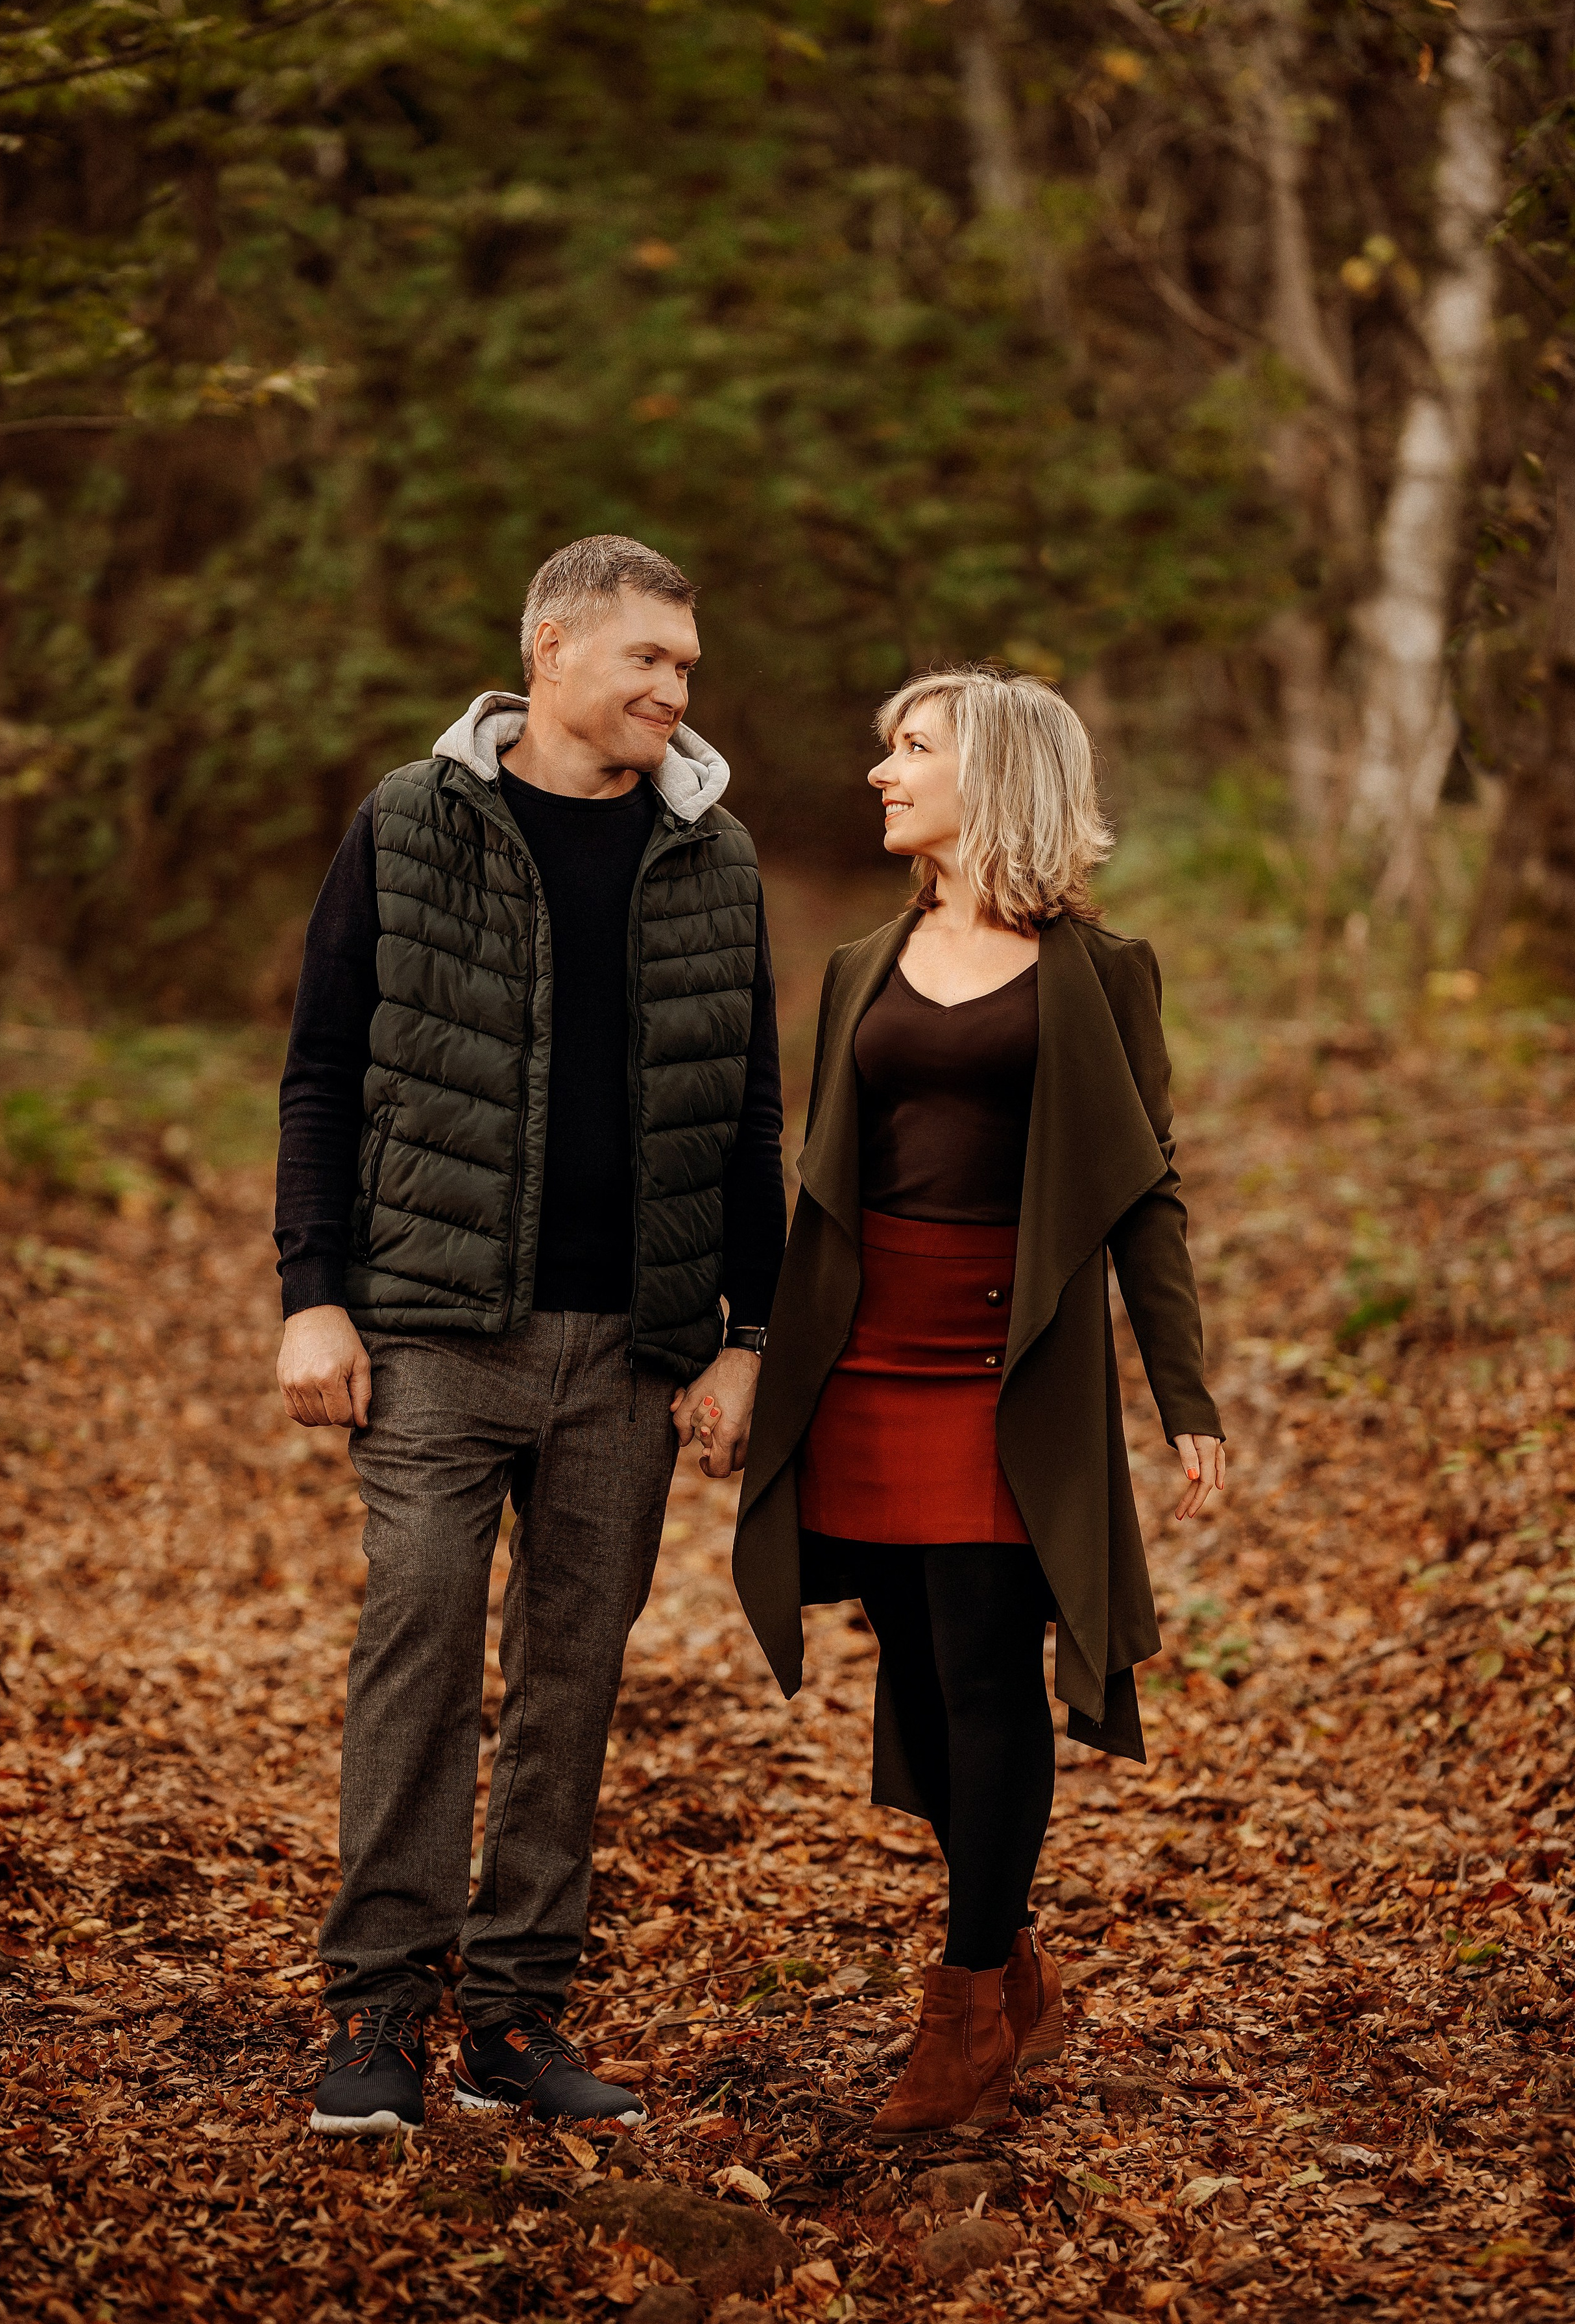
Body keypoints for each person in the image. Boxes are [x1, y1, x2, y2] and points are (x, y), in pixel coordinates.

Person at [274, 534, 785, 2135]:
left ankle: (512, 2025)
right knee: (416, 1650)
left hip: (631, 1349)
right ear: (551, 651)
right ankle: (375, 2022)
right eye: (648, 660)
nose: (672, 690)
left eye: (686, 668)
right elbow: (321, 1069)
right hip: (434, 1332)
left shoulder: (715, 856)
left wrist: (743, 1337)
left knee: (570, 1678)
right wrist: (313, 1293)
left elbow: (746, 1118)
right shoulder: (410, 822)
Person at [732, 666, 1223, 2135]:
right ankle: (1017, 1964)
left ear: (993, 775)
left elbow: (1144, 1197)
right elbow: (818, 1186)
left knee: (985, 1666)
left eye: (913, 749)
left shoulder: (1099, 970)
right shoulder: (859, 963)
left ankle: (956, 2018)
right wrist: (749, 1353)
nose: (880, 772)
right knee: (915, 1676)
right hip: (862, 1357)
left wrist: (1183, 1397)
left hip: (1006, 1374)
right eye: (886, 746)